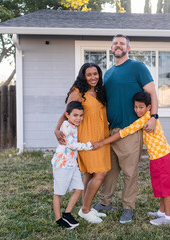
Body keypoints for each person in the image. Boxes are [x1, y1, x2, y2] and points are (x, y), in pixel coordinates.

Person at [92, 34, 159, 224]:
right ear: (111, 48)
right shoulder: (109, 72)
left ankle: (128, 207)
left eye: (122, 43)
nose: (118, 46)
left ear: (128, 48)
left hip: (130, 130)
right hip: (111, 130)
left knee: (130, 172)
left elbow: (152, 92)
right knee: (110, 170)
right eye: (115, 43)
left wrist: (153, 117)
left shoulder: (137, 67)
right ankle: (105, 202)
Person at [93, 92, 170, 225]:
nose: (137, 110)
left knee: (165, 187)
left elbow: (124, 132)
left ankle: (169, 217)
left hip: (162, 156)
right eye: (135, 107)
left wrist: (103, 142)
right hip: (156, 157)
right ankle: (161, 212)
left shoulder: (146, 119)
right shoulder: (146, 117)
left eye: (140, 107)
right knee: (159, 185)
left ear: (149, 107)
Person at [54, 63, 110, 224]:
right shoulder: (77, 92)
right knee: (101, 173)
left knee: (91, 174)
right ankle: (85, 210)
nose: (93, 77)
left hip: (102, 138)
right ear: (83, 76)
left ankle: (85, 207)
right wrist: (57, 130)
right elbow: (66, 114)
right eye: (89, 74)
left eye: (96, 74)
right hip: (87, 140)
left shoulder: (99, 92)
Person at [51, 101, 93, 229]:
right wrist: (87, 146)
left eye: (81, 115)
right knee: (58, 193)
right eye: (75, 115)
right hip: (62, 164)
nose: (78, 118)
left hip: (72, 164)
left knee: (79, 188)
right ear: (67, 115)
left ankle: (67, 213)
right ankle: (59, 219)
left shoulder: (75, 126)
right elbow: (70, 144)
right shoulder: (66, 125)